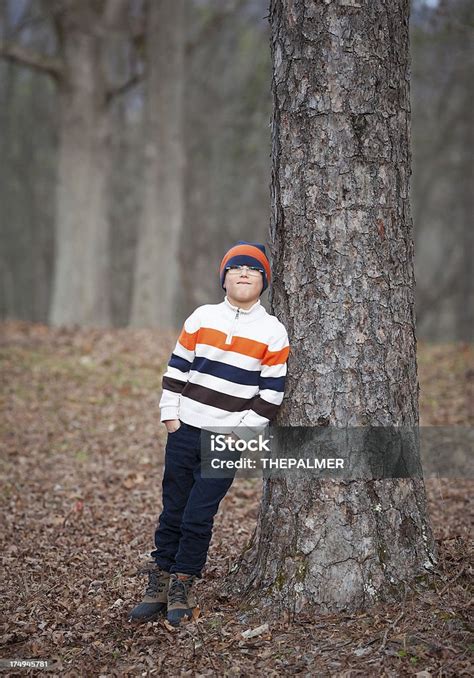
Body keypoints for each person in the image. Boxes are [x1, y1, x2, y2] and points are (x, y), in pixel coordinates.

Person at [128, 241, 290, 626]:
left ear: (264, 281)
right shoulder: (202, 318)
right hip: (185, 429)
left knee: (199, 515)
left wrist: (240, 433)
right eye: (236, 269)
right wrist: (171, 416)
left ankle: (184, 581)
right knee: (173, 510)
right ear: (224, 279)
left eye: (253, 269)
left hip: (226, 438)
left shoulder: (272, 331)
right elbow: (176, 369)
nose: (244, 273)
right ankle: (161, 581)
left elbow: (271, 392)